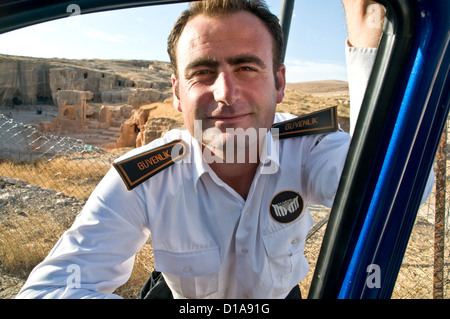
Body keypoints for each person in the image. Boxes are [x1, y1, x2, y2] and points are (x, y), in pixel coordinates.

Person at [17, 0, 433, 299]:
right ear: (177, 94)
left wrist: (374, 40)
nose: (225, 93)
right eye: (202, 72)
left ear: (280, 83)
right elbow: (50, 289)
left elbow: (402, 188)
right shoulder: (146, 174)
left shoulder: (309, 145)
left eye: (246, 68)